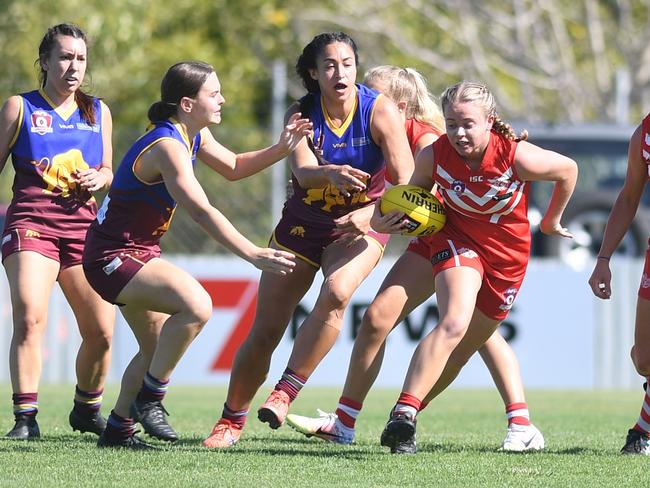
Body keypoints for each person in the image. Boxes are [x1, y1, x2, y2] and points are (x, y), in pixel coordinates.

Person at [286, 66, 545, 451]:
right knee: (379, 320)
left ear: (401, 106)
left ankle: (512, 420)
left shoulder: (431, 139)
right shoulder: (375, 137)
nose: (363, 104)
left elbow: (438, 197)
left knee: (467, 328)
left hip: (460, 241)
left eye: (372, 98)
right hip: (433, 242)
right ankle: (345, 423)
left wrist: (374, 217)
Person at [82, 61, 311, 449]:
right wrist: (252, 253)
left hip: (134, 253)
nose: (222, 99)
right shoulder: (168, 146)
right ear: (187, 104)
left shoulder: (193, 136)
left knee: (154, 347)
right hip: (113, 256)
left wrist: (281, 148)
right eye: (214, 93)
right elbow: (201, 210)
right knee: (198, 305)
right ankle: (150, 399)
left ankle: (119, 428)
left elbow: (235, 167)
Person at [202, 32, 415, 449]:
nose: (341, 72)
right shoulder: (300, 112)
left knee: (337, 292)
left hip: (360, 224)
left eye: (348, 63)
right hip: (301, 226)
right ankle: (230, 421)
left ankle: (285, 392)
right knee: (265, 330)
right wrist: (327, 174)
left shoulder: (379, 110)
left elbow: (406, 181)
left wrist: (372, 214)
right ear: (314, 73)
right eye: (330, 65)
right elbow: (300, 170)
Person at [372, 80, 577, 454]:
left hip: (508, 257)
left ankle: (408, 416)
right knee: (453, 322)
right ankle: (404, 412)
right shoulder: (434, 156)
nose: (459, 132)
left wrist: (550, 221)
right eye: (451, 124)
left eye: (467, 124)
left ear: (489, 122)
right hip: (457, 240)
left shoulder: (516, 156)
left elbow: (568, 170)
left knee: (465, 349)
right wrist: (384, 215)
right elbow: (411, 196)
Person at [0, 23, 116, 440]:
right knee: (30, 317)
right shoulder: (20, 106)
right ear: (45, 61)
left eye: (81, 58)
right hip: (31, 225)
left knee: (102, 332)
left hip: (84, 231)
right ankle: (25, 417)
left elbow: (107, 169)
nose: (73, 66)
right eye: (65, 56)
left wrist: (101, 178)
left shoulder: (97, 111)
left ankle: (86, 409)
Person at [588, 115, 650, 455]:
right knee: (644, 358)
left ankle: (642, 431)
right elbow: (629, 198)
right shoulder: (644, 133)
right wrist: (603, 258)